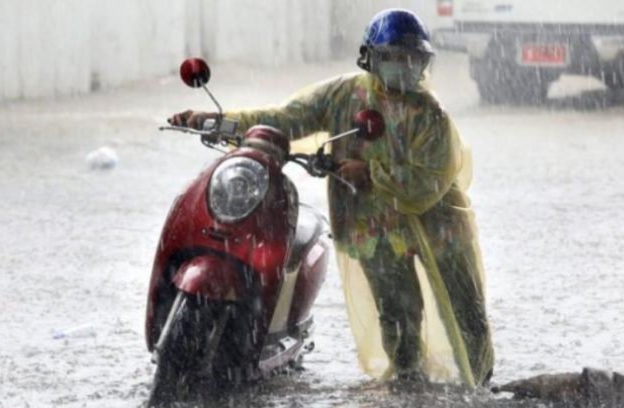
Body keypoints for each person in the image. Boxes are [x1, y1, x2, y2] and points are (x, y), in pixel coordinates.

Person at [169, 8, 494, 385]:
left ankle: (481, 382)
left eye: (412, 59)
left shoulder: (431, 116)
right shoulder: (344, 95)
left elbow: (426, 185)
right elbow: (285, 119)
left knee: (464, 307)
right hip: (375, 227)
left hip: (439, 225)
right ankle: (408, 381)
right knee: (397, 311)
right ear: (370, 58)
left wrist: (369, 174)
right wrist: (215, 121)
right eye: (393, 58)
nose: (404, 67)